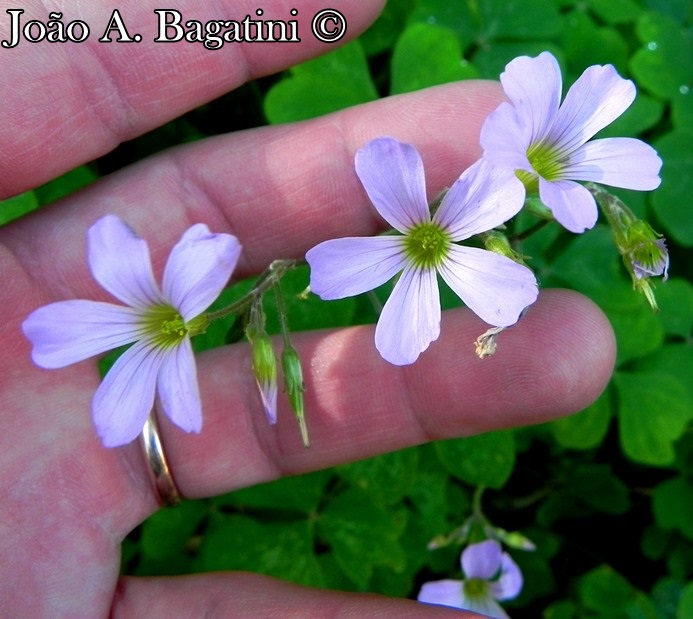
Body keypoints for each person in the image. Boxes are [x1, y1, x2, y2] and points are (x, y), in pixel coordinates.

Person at [0, 2, 616, 616]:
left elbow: (493, 198)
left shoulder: (490, 201)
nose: (174, 328)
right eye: (175, 327)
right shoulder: (176, 319)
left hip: (435, 241)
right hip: (426, 244)